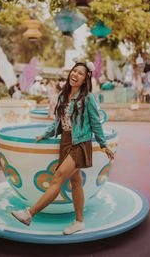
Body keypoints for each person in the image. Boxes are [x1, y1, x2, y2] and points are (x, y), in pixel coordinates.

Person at [11, 62, 115, 235]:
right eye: (74, 71)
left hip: (80, 143)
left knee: (58, 177)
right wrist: (45, 134)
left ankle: (29, 214)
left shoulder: (87, 98)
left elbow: (96, 123)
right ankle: (79, 222)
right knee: (76, 182)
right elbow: (58, 122)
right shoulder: (62, 95)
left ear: (85, 79)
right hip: (66, 142)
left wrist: (104, 145)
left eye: (81, 73)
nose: (76, 74)